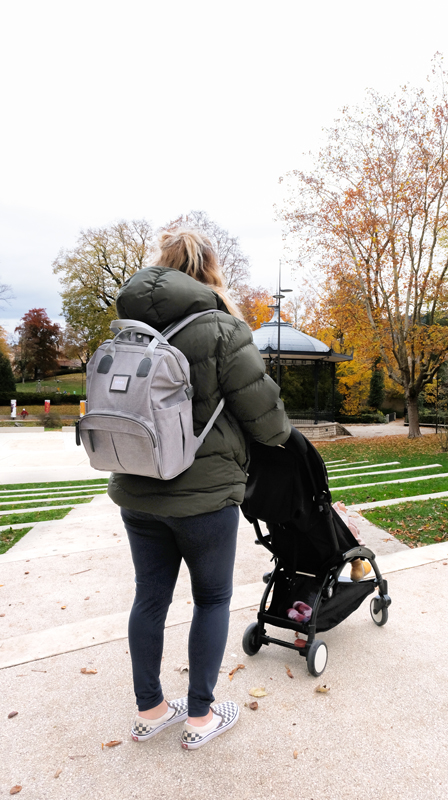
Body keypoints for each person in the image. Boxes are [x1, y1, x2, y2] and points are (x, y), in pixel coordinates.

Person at [107, 229, 291, 750]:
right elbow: (267, 419)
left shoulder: (128, 326)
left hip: (136, 488)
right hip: (204, 495)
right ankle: (201, 718)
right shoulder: (220, 329)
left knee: (149, 598)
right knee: (211, 599)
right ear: (209, 269)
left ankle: (151, 710)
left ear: (161, 266)